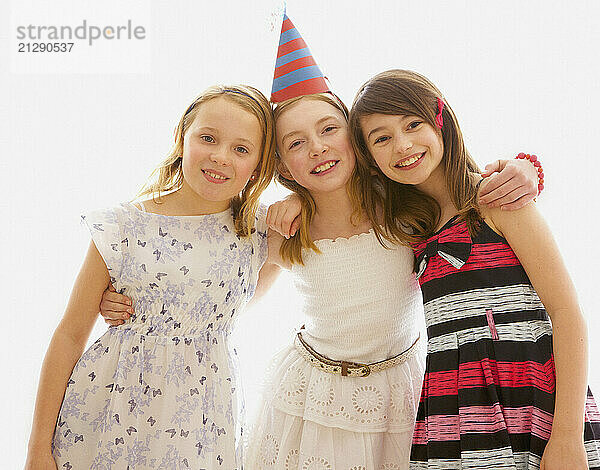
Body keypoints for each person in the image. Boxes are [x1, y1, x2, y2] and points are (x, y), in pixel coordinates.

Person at [98, 16, 541, 470]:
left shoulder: (402, 202)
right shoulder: (285, 226)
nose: (318, 148)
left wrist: (526, 167)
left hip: (399, 394)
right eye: (296, 143)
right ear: (283, 166)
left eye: (330, 130)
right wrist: (139, 299)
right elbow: (227, 284)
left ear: (355, 138)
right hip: (311, 397)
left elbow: (456, 183)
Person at [349, 69, 600, 469]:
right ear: (369, 157)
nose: (403, 145)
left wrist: (567, 434)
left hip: (535, 403)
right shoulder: (406, 229)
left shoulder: (496, 199)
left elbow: (568, 315)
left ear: (441, 122)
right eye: (382, 138)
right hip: (453, 417)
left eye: (413, 124)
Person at [24, 84, 278, 470]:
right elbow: (69, 335)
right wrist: (37, 449)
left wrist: (296, 197)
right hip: (109, 410)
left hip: (202, 420)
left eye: (241, 149)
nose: (220, 156)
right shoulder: (124, 226)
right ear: (181, 139)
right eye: (208, 138)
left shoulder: (260, 230)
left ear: (259, 165)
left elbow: (236, 299)